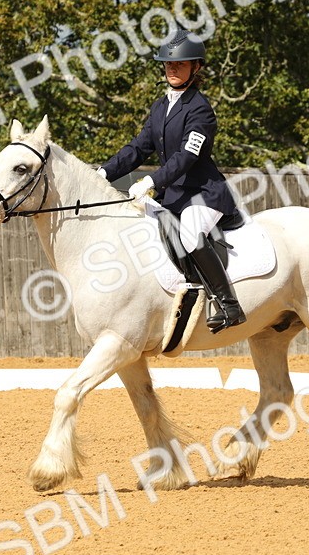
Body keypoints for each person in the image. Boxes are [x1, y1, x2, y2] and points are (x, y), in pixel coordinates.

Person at [97, 29, 246, 333]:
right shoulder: (160, 107)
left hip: (203, 193)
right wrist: (103, 172)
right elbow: (139, 148)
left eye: (180, 64)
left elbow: (187, 156)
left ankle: (228, 305)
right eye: (168, 64)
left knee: (191, 235)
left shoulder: (200, 109)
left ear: (196, 67)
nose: (173, 69)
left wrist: (151, 180)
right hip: (173, 196)